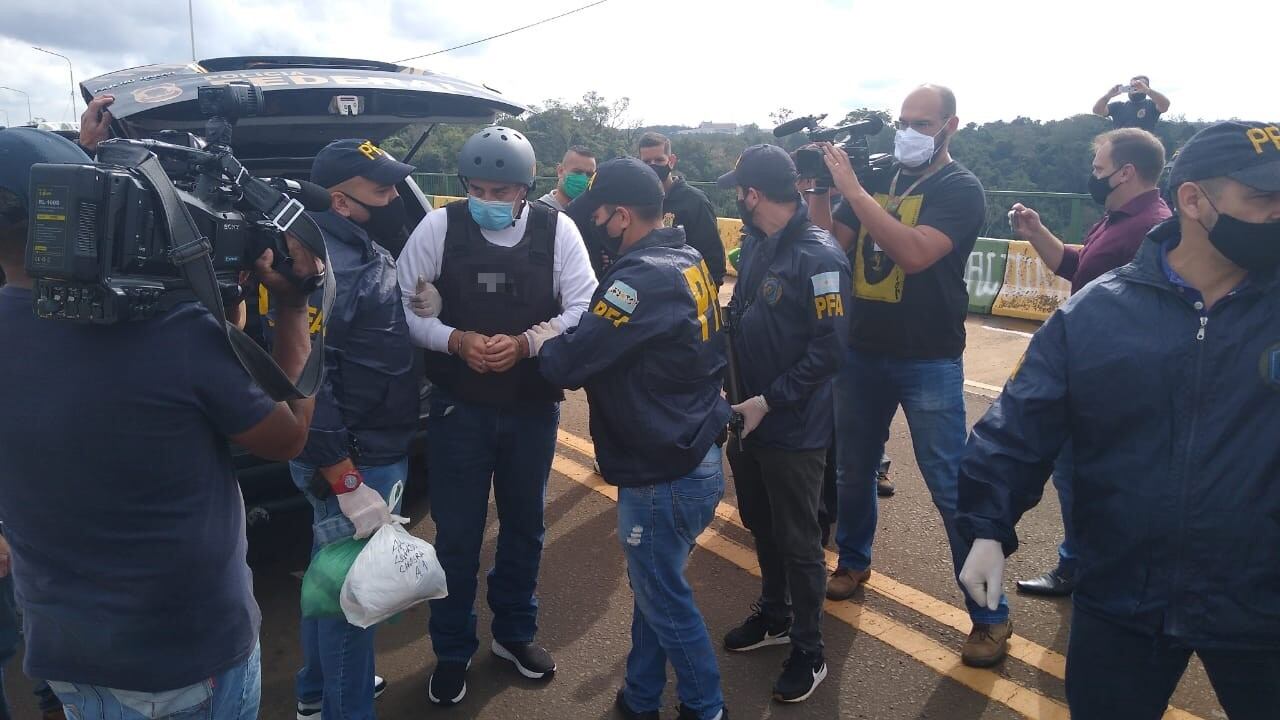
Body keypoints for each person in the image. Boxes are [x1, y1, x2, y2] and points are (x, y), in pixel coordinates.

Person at [957, 120, 1280, 719]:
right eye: (1263, 198)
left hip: (1262, 603)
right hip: (1121, 597)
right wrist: (986, 524)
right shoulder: (1097, 313)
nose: (1278, 214)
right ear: (1193, 199)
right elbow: (1020, 424)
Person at [0, 127, 327, 717]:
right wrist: (292, 304)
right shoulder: (169, 332)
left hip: (66, 650)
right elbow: (288, 436)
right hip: (185, 658)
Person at [807, 84, 1010, 667]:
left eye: (922, 123)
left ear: (950, 126)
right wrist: (822, 188)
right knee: (852, 471)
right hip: (863, 352)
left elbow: (916, 253)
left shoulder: (960, 189)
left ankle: (991, 613)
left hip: (929, 358)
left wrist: (853, 191)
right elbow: (830, 243)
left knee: (955, 488)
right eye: (903, 121)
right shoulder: (878, 182)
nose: (908, 132)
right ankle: (852, 560)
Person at [396, 126, 597, 706]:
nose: (488, 198)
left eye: (501, 190)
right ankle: (452, 651)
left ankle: (513, 635)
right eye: (477, 188)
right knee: (456, 536)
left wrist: (530, 342)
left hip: (531, 409)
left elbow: (585, 305)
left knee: (526, 527)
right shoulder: (439, 227)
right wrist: (452, 338)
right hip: (460, 411)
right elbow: (402, 304)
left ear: (526, 190)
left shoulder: (559, 231)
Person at [533, 157, 731, 720]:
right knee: (656, 590)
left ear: (621, 215)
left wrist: (543, 337)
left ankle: (705, 707)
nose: (593, 226)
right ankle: (640, 696)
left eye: (597, 216)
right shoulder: (686, 257)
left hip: (661, 467)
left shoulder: (637, 281)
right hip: (695, 448)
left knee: (666, 601)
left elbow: (570, 363)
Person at [269, 138, 420, 720]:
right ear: (341, 200)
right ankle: (345, 707)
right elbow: (311, 379)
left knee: (329, 579)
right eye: (381, 189)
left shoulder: (352, 246)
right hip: (354, 454)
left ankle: (314, 691)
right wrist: (344, 475)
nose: (394, 197)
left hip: (359, 445)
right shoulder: (326, 263)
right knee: (357, 602)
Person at [1007, 128, 1171, 597]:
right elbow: (1079, 267)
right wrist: (1037, 232)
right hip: (1088, 370)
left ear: (1127, 172)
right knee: (1074, 476)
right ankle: (1081, 561)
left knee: (1083, 479)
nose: (1093, 178)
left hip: (1107, 380)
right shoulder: (1115, 220)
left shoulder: (1149, 229)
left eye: (1099, 170)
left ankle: (1085, 567)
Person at [718, 144, 851, 703]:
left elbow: (831, 350)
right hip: (747, 417)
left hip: (792, 426)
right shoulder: (757, 245)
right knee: (761, 523)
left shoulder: (819, 258)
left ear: (753, 195)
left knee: (800, 541)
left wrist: (769, 401)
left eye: (739, 193)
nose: (739, 201)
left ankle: (809, 649)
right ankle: (774, 614)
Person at [638, 132, 727, 286]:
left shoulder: (694, 201)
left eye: (659, 160)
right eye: (646, 162)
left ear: (671, 161)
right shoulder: (637, 201)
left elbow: (713, 258)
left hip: (684, 290)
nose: (652, 166)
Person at [1092, 75, 1171, 132]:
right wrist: (1108, 95)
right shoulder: (1118, 106)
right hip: (1120, 149)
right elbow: (1097, 111)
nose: (1135, 88)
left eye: (1140, 85)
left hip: (1144, 148)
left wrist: (1148, 91)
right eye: (1132, 86)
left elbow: (1165, 105)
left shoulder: (1152, 105)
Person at [535, 145, 597, 212]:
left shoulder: (594, 215)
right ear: (560, 171)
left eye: (589, 174)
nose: (584, 178)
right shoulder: (537, 212)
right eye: (578, 172)